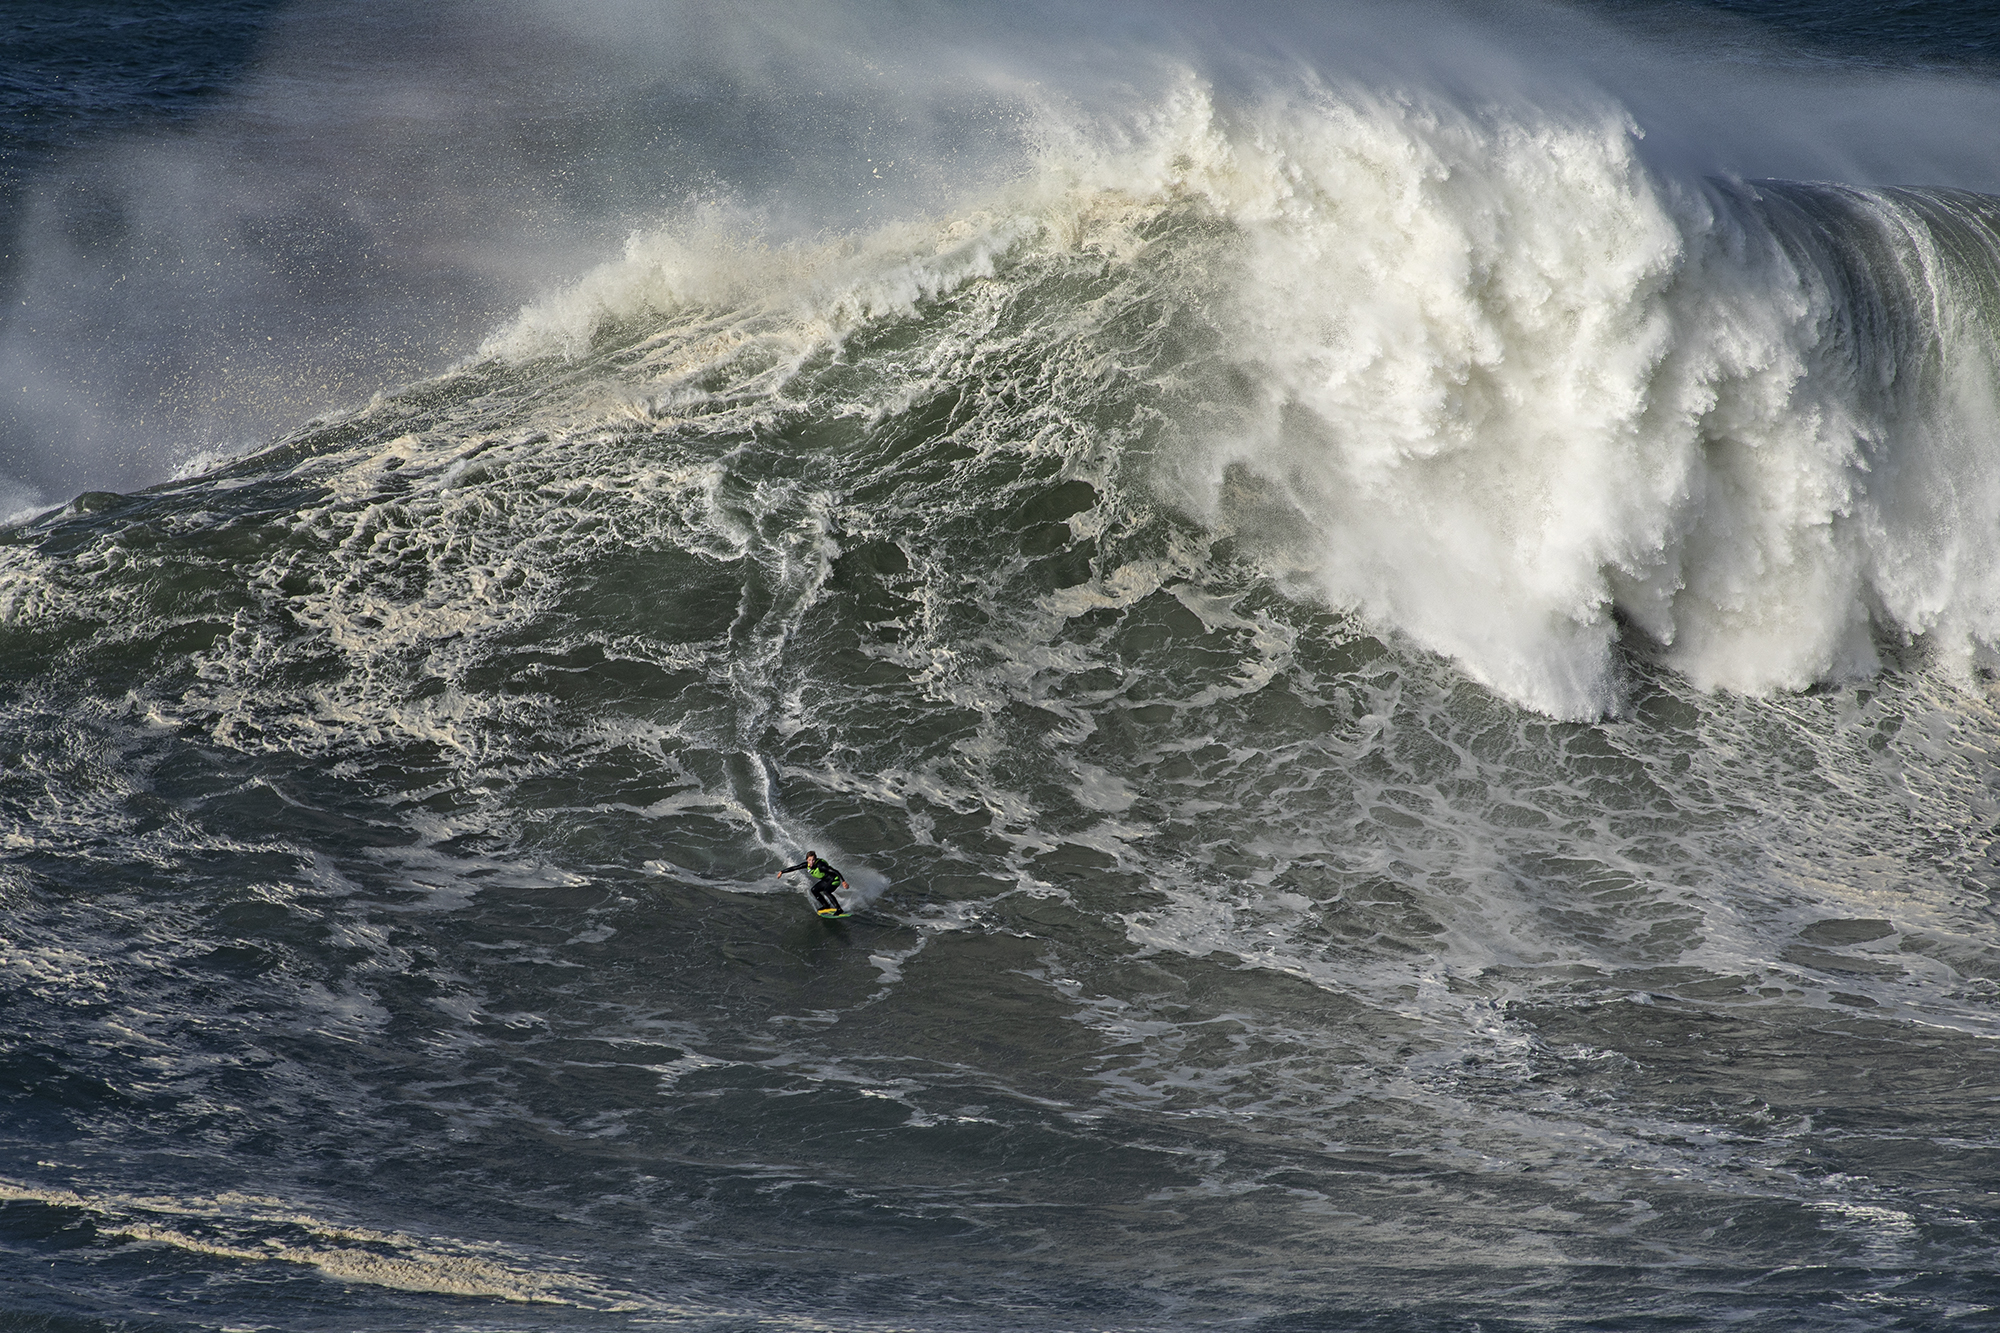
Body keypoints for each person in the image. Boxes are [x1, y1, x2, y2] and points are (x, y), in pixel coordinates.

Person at [777, 851, 847, 913]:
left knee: (826, 891)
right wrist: (782, 872)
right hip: (826, 880)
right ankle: (826, 905)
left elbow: (835, 871)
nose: (811, 862)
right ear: (807, 860)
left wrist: (843, 881)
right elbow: (795, 867)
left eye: (813, 860)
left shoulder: (820, 866)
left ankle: (839, 909)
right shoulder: (806, 865)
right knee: (814, 890)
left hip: (835, 879)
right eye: (810, 860)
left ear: (815, 859)